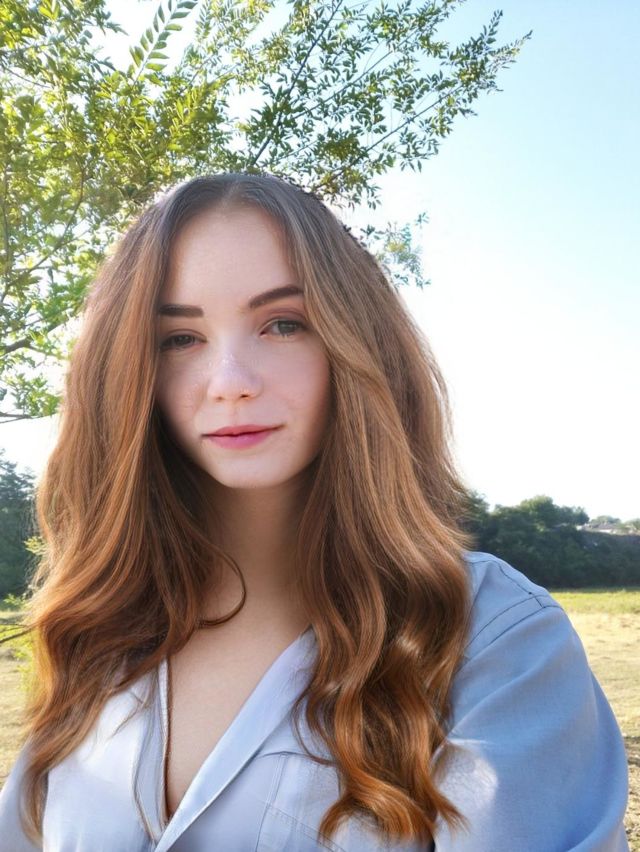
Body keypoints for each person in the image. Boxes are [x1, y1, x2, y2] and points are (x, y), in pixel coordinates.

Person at [0, 173, 629, 851]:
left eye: (283, 324)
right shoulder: (96, 631)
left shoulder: (494, 639)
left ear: (355, 344)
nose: (231, 382)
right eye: (179, 338)